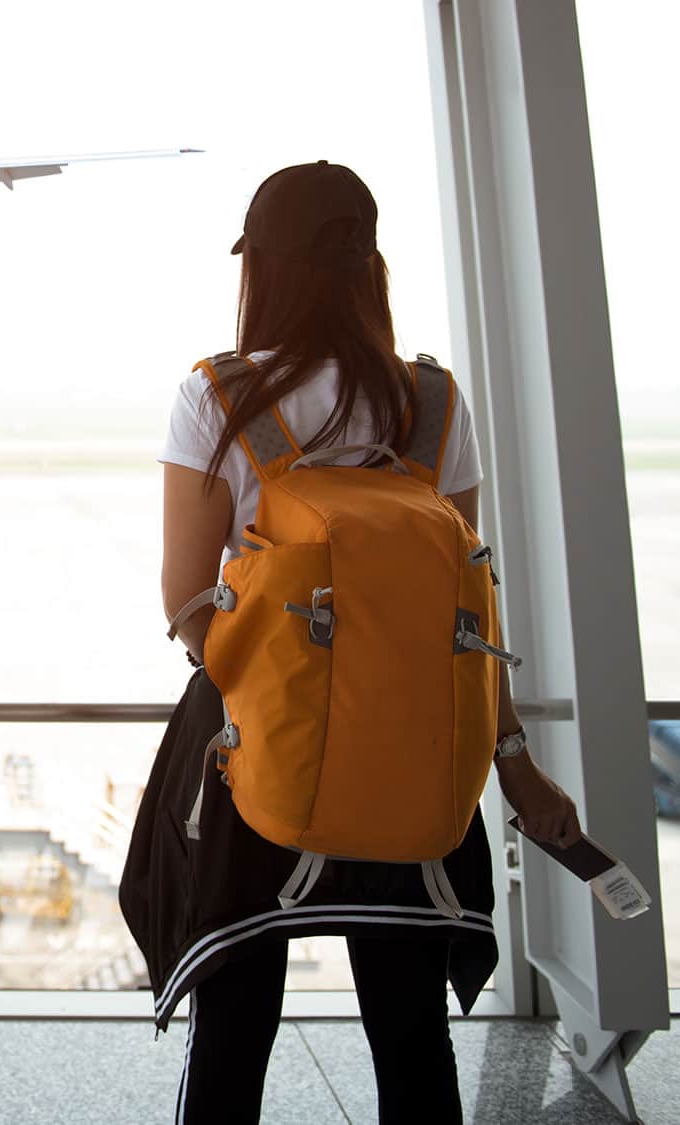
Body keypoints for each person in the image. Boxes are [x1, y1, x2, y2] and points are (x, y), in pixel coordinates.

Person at [146, 161, 582, 1123]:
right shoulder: (431, 403)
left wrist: (266, 674)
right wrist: (514, 762)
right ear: (366, 264)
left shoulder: (217, 397)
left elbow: (186, 601)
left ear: (261, 266)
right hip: (413, 742)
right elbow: (470, 614)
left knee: (236, 1024)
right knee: (409, 1031)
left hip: (256, 752)